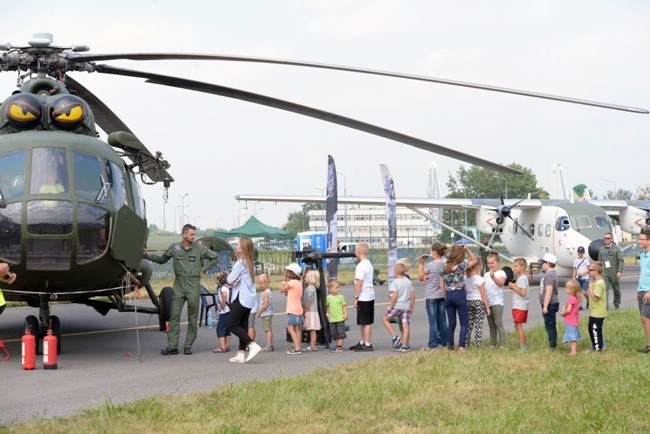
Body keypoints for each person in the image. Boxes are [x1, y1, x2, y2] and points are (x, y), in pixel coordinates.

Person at [143, 224, 219, 356]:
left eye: (194, 234)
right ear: (184, 234)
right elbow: (162, 259)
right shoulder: (175, 247)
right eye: (191, 234)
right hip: (178, 284)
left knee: (192, 316)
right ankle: (172, 346)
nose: (193, 237)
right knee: (174, 315)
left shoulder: (199, 248)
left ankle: (188, 345)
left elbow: (214, 257)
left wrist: (204, 269)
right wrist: (146, 255)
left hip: (193, 284)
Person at [226, 237, 263, 363]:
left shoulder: (240, 263)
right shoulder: (249, 262)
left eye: (238, 245)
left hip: (241, 297)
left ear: (243, 248)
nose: (236, 247)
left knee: (231, 324)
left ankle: (252, 344)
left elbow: (230, 280)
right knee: (242, 324)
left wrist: (231, 280)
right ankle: (241, 353)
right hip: (250, 298)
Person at [440, 244, 478, 351]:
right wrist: (467, 249)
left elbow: (441, 284)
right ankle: (462, 346)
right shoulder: (462, 265)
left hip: (449, 295)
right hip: (460, 294)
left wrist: (445, 295)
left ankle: (450, 345)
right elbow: (474, 260)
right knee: (464, 322)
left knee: (451, 323)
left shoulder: (444, 266)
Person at [417, 242, 448, 351]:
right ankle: (444, 342)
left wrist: (421, 264)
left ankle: (433, 343)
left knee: (433, 320)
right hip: (442, 295)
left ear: (434, 252)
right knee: (443, 320)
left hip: (431, 295)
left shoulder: (430, 265)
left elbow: (420, 277)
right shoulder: (446, 263)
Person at [382, 261, 415, 352]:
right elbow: (412, 295)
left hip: (398, 305)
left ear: (395, 272)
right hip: (407, 306)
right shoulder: (408, 281)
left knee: (385, 319)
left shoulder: (395, 282)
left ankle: (394, 336)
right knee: (405, 326)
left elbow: (395, 295)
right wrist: (412, 306)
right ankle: (405, 345)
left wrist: (390, 306)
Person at [350, 242, 375, 352]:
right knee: (363, 321)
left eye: (355, 250)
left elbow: (359, 282)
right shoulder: (368, 263)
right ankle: (362, 341)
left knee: (366, 321)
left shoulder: (360, 266)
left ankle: (368, 343)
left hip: (364, 296)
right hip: (369, 295)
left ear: (359, 251)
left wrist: (356, 297)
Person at [484, 251, 507, 348]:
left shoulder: (501, 273)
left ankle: (503, 344)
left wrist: (493, 276)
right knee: (491, 324)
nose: (490, 265)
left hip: (497, 302)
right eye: (488, 263)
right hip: (488, 302)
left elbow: (501, 283)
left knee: (498, 323)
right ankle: (493, 343)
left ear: (498, 263)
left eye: (492, 263)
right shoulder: (486, 274)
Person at [280, 263, 304, 355]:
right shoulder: (298, 283)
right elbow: (287, 293)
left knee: (290, 329)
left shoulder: (291, 283)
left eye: (288, 272)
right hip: (298, 308)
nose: (286, 273)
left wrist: (283, 281)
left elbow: (281, 290)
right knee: (297, 329)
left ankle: (297, 348)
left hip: (292, 309)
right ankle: (297, 345)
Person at [465, 261, 489, 348]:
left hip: (469, 301)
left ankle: (466, 343)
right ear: (477, 267)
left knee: (469, 324)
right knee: (478, 325)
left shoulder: (465, 278)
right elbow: (483, 294)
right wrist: (487, 307)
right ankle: (478, 345)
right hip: (478, 302)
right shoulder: (480, 279)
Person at [597, 231, 624, 309]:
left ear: (611, 239)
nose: (606, 240)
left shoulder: (616, 249)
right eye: (605, 238)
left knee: (616, 289)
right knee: (604, 288)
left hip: (614, 272)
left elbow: (620, 260)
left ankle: (617, 303)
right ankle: (605, 306)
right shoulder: (601, 249)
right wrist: (598, 272)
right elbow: (599, 261)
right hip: (604, 272)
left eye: (608, 238)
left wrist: (620, 271)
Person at [539, 253, 560, 350]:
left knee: (550, 324)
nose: (541, 265)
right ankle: (552, 343)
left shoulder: (549, 276)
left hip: (550, 303)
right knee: (550, 323)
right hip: (551, 303)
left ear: (548, 263)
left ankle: (552, 345)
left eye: (542, 263)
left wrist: (545, 306)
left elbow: (549, 291)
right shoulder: (552, 274)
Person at [508, 258, 529, 350]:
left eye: (516, 266)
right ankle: (524, 342)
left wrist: (513, 287)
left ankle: (522, 345)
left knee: (518, 326)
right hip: (519, 305)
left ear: (523, 267)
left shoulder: (522, 278)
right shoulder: (521, 278)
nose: (514, 268)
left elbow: (523, 293)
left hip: (519, 305)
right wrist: (513, 286)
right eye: (514, 266)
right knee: (517, 325)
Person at [587, 261, 607, 351]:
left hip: (598, 312)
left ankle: (598, 347)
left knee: (595, 329)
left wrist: (590, 289)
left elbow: (596, 298)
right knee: (591, 328)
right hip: (594, 311)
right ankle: (596, 345)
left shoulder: (599, 283)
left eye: (590, 270)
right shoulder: (596, 282)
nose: (589, 271)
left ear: (596, 271)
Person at [636, 229, 650, 353]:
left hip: (648, 291)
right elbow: (644, 274)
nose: (639, 241)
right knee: (644, 318)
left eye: (642, 239)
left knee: (646, 318)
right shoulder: (642, 255)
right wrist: (638, 290)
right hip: (642, 290)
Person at [302, 269, 322, 352]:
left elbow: (310, 299)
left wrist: (305, 308)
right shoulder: (310, 287)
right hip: (311, 311)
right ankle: (312, 344)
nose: (305, 278)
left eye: (306, 277)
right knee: (311, 329)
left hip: (311, 311)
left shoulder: (310, 288)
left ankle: (313, 345)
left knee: (312, 329)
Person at [561, 279, 582, 356]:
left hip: (570, 320)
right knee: (573, 335)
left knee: (572, 337)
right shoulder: (575, 298)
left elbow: (569, 310)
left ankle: (573, 351)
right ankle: (573, 349)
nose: (565, 289)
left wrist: (563, 313)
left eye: (567, 288)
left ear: (571, 290)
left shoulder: (571, 298)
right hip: (574, 320)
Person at [326, 280, 348, 352]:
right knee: (334, 334)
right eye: (336, 288)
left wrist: (345, 314)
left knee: (341, 333)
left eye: (338, 288)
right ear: (330, 289)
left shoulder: (341, 297)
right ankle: (337, 345)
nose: (338, 289)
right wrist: (328, 314)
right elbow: (328, 307)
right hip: (332, 319)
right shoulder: (328, 298)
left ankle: (339, 346)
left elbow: (344, 306)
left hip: (340, 318)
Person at [255, 273, 274, 352]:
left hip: (266, 313)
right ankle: (270, 344)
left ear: (266, 283)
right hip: (268, 313)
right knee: (268, 329)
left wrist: (259, 312)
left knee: (267, 330)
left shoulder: (265, 293)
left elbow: (265, 305)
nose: (260, 285)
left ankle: (269, 345)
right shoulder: (268, 291)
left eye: (261, 284)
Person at [213, 271, 231, 353]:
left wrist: (222, 305)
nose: (216, 281)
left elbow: (224, 296)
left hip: (224, 312)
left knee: (220, 328)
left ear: (220, 279)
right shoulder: (227, 287)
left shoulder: (223, 288)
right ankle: (226, 345)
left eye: (217, 279)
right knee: (227, 329)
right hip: (229, 311)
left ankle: (222, 347)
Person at [573, 246, 590, 310]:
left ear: (583, 253)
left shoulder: (586, 260)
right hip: (578, 278)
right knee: (578, 292)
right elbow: (574, 269)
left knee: (584, 292)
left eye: (581, 252)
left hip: (584, 278)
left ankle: (588, 300)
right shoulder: (575, 260)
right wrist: (573, 277)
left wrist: (583, 273)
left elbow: (589, 269)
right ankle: (580, 305)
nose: (580, 253)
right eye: (579, 252)